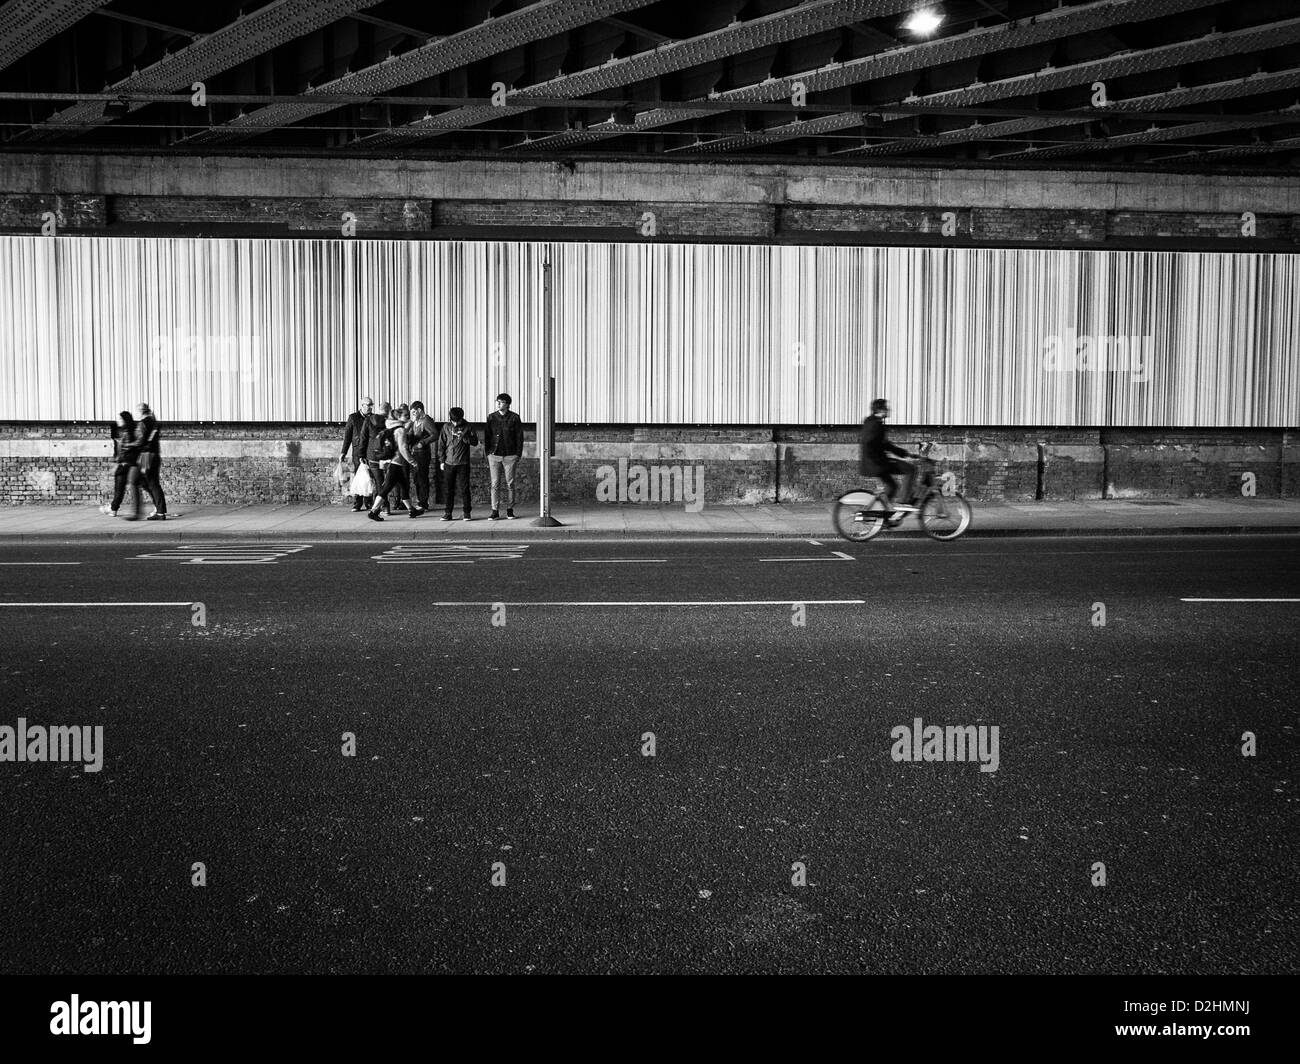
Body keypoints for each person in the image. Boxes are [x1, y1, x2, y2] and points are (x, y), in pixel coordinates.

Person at [859, 398, 916, 513]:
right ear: (880, 409)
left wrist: (904, 454)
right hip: (878, 463)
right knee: (911, 469)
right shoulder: (875, 425)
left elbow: (884, 444)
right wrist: (880, 459)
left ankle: (884, 514)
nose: (889, 410)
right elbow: (872, 443)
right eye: (886, 408)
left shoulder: (871, 422)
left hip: (873, 463)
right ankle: (903, 501)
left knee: (893, 486)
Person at [367, 404, 421, 522]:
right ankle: (373, 511)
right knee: (386, 488)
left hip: (394, 462)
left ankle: (412, 510)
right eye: (405, 415)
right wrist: (413, 462)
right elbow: (403, 448)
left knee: (404, 486)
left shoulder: (392, 427)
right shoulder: (400, 430)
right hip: (396, 463)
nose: (408, 417)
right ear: (398, 418)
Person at [484, 392, 523, 520]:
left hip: (510, 455)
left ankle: (510, 510)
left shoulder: (514, 418)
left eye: (501, 402)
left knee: (510, 483)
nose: (498, 404)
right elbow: (487, 436)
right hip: (494, 455)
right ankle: (494, 510)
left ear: (507, 404)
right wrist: (488, 453)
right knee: (494, 484)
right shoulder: (491, 417)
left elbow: (519, 437)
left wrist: (518, 454)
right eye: (497, 401)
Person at [358, 401, 402, 515]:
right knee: (389, 482)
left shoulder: (368, 420)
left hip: (373, 455)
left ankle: (383, 507)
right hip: (388, 456)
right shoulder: (390, 422)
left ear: (379, 409)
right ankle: (393, 504)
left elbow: (363, 438)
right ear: (389, 410)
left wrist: (361, 454)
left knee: (379, 482)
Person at [436, 406, 478, 521]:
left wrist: (464, 437)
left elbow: (475, 442)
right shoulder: (446, 427)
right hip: (449, 462)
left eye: (457, 421)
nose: (455, 423)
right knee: (448, 489)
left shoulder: (468, 426)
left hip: (463, 463)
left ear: (461, 418)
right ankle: (448, 512)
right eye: (453, 421)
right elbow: (441, 445)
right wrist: (441, 460)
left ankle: (467, 513)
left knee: (464, 488)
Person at [99, 411, 141, 519]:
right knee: (124, 488)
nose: (118, 421)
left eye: (120, 419)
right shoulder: (132, 431)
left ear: (124, 420)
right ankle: (114, 508)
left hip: (124, 464)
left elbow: (124, 450)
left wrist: (118, 463)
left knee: (119, 488)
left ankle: (113, 509)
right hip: (130, 464)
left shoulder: (126, 433)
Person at [134, 402, 168, 521]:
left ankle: (160, 511)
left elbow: (140, 442)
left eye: (137, 411)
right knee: (151, 482)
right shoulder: (154, 422)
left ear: (140, 412)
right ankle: (159, 508)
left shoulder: (143, 424)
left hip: (146, 456)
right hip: (154, 455)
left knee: (148, 482)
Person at [406, 400, 440, 513]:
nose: (413, 415)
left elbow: (435, 434)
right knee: (416, 478)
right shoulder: (416, 421)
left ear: (420, 410)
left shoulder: (426, 420)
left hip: (422, 453)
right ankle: (420, 501)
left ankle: (423, 503)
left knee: (422, 477)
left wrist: (423, 442)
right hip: (414, 453)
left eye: (414, 412)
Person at [341, 396, 374, 511]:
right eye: (368, 405)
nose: (370, 407)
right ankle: (357, 503)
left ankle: (369, 502)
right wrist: (343, 452)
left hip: (369, 451)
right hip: (357, 451)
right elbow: (347, 437)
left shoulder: (373, 418)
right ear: (362, 406)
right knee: (358, 476)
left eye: (371, 405)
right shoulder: (353, 418)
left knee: (369, 477)